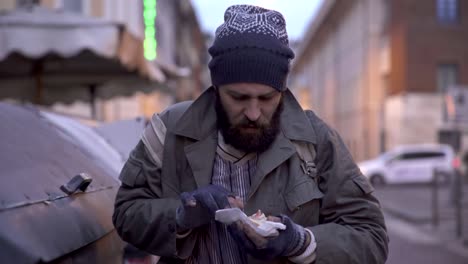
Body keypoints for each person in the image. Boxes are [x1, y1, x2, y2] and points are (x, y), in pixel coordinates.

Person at [113, 4, 388, 264]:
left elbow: (371, 237)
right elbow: (126, 213)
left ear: (282, 91)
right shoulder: (169, 129)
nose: (254, 113)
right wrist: (181, 216)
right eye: (239, 97)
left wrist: (301, 242)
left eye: (267, 98)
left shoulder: (316, 139)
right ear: (217, 89)